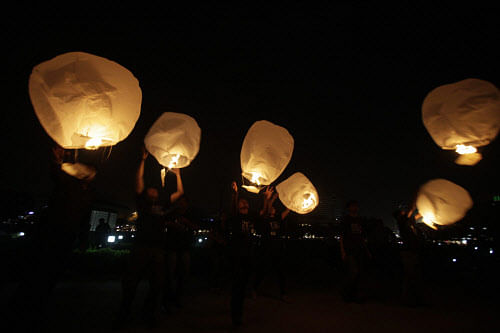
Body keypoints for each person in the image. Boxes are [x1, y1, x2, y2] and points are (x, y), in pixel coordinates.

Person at [5, 144, 96, 332]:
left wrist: (83, 238)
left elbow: (85, 218)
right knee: (37, 272)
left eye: (92, 171)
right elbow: (56, 174)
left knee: (51, 275)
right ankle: (18, 312)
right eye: (89, 170)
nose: (91, 173)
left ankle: (36, 310)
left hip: (66, 237)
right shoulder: (68, 183)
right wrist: (56, 159)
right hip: (50, 233)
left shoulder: (88, 194)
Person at [114, 146, 184, 329]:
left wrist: (177, 174)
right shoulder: (142, 202)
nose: (153, 191)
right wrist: (143, 160)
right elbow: (138, 180)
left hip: (158, 248)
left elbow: (180, 193)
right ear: (146, 193)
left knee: (157, 284)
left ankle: (149, 313)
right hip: (141, 247)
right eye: (150, 190)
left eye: (155, 190)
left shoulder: (162, 203)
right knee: (131, 282)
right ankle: (124, 311)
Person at [226, 181, 261, 328]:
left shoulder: (251, 217)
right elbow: (233, 207)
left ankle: (239, 313)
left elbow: (264, 213)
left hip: (248, 256)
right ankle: (236, 318)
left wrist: (266, 198)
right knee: (237, 288)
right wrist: (235, 193)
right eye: (242, 202)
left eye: (246, 202)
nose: (244, 204)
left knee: (243, 286)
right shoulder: (235, 218)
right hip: (237, 257)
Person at [253, 186, 291, 302]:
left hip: (278, 249)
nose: (273, 208)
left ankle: (283, 294)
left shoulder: (278, 218)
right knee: (262, 270)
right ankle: (254, 289)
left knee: (281, 272)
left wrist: (293, 202)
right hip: (266, 248)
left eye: (273, 208)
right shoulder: (265, 218)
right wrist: (271, 198)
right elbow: (266, 208)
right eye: (271, 207)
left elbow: (288, 210)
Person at [163, 194, 198, 312]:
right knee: (170, 273)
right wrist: (172, 224)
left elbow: (196, 227)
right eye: (180, 201)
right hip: (172, 246)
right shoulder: (172, 213)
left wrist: (186, 222)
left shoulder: (190, 215)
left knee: (183, 274)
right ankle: (168, 299)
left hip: (185, 247)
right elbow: (162, 222)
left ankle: (178, 298)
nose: (181, 204)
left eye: (184, 202)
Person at [393, 204, 426, 307]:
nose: (405, 213)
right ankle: (409, 300)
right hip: (408, 253)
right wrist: (413, 206)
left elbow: (414, 217)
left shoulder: (407, 224)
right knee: (411, 276)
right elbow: (411, 214)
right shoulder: (402, 223)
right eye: (403, 213)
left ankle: (411, 299)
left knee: (412, 276)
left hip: (413, 252)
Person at [339, 200, 370, 303]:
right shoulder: (346, 220)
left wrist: (367, 250)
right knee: (353, 272)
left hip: (360, 250)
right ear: (349, 208)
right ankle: (346, 294)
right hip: (350, 250)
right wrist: (343, 251)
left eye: (356, 206)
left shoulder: (361, 220)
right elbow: (342, 237)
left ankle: (355, 295)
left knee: (359, 273)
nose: (355, 208)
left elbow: (362, 237)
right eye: (353, 206)